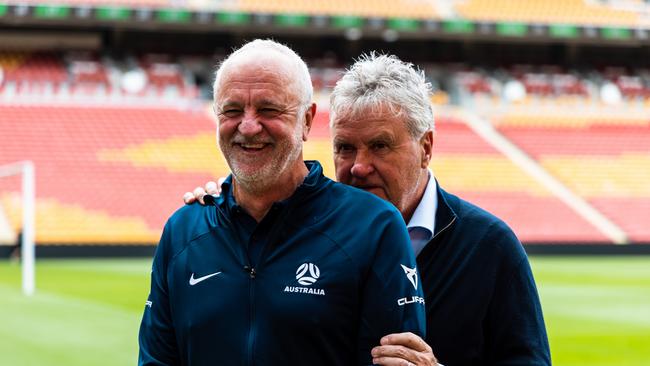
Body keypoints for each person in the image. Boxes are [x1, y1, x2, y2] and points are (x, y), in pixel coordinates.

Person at [187, 53, 551, 366]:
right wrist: (229, 198)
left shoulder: (488, 246)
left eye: (379, 146)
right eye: (345, 148)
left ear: (426, 148)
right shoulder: (298, 228)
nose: (358, 166)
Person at [138, 40, 426, 366]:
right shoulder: (183, 230)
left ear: (306, 120)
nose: (248, 126)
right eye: (232, 110)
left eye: (268, 109)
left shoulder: (374, 227)